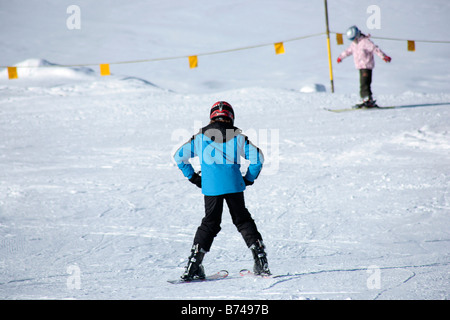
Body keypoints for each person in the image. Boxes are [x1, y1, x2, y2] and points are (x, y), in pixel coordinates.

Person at [173, 101, 270, 280]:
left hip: (211, 187)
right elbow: (258, 158)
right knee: (242, 220)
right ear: (231, 117)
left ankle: (194, 265)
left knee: (210, 223)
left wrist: (194, 177)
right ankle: (260, 259)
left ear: (212, 117)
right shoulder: (239, 137)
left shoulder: (200, 137)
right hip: (234, 184)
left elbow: (179, 157)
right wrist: (248, 178)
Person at [337, 25, 392, 108]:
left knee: (364, 83)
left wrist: (383, 56)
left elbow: (375, 49)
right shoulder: (354, 44)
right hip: (360, 66)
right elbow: (348, 51)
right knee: (364, 83)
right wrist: (341, 57)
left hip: (366, 65)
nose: (353, 41)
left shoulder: (365, 42)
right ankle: (367, 99)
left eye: (354, 38)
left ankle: (367, 99)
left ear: (357, 35)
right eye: (351, 40)